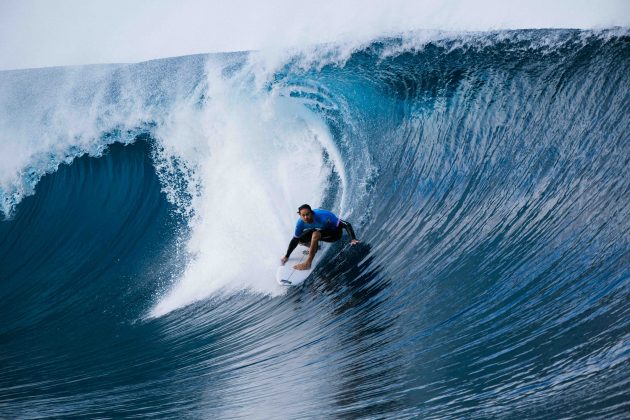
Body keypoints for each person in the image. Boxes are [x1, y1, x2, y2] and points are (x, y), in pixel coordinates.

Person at [281, 204, 360, 270]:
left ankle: (308, 263)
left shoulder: (324, 216)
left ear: (311, 213)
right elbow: (295, 239)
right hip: (323, 231)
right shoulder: (300, 223)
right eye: (303, 215)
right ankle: (315, 247)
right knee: (299, 238)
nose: (305, 217)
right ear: (300, 215)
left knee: (315, 234)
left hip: (335, 234)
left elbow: (346, 225)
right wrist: (287, 256)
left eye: (307, 214)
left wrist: (353, 239)